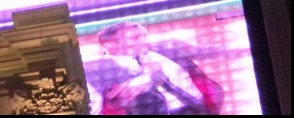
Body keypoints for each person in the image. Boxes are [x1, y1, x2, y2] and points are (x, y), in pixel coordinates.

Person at [84, 22, 224, 115]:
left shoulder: (169, 48)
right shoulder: (95, 71)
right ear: (110, 44)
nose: (145, 41)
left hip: (198, 109)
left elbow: (206, 52)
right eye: (136, 38)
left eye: (145, 36)